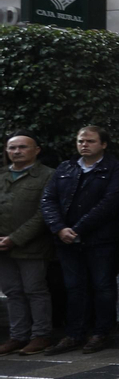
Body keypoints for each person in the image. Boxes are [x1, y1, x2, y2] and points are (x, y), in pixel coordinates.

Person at [40, 125, 119, 354]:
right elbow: (48, 199)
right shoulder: (65, 167)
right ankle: (74, 334)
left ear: (103, 144)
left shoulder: (116, 168)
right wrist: (59, 228)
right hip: (67, 240)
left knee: (103, 287)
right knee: (74, 288)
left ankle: (101, 333)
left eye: (90, 141)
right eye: (81, 141)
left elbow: (109, 204)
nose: (84, 145)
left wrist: (78, 229)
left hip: (101, 240)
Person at [0, 132, 55, 355]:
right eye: (12, 148)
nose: (17, 151)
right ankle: (18, 336)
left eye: (23, 147)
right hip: (2, 248)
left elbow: (43, 214)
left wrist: (15, 238)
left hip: (32, 246)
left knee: (35, 291)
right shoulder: (2, 175)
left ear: (36, 150)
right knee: (13, 292)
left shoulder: (47, 176)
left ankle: (41, 336)